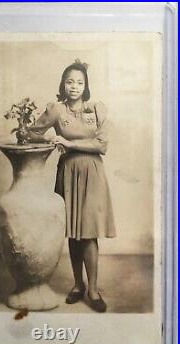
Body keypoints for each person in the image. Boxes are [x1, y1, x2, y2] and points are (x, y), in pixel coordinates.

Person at [26, 60, 116, 312]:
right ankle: (78, 285)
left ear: (86, 86)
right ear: (63, 85)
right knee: (74, 234)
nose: (74, 86)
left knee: (88, 234)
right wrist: (51, 138)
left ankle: (93, 290)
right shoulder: (56, 110)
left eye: (79, 82)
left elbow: (102, 146)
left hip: (92, 174)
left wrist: (69, 142)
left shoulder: (97, 109)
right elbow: (30, 132)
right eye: (69, 82)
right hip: (67, 173)